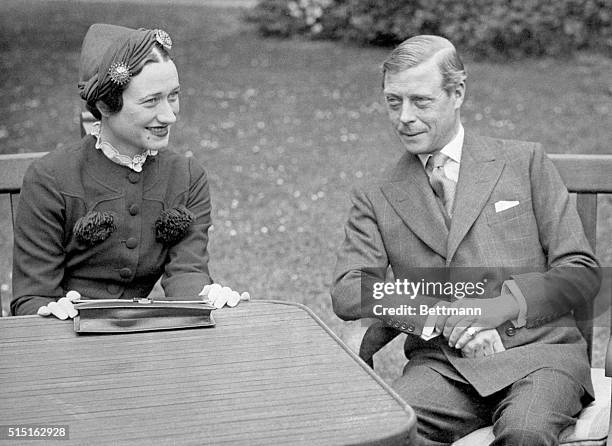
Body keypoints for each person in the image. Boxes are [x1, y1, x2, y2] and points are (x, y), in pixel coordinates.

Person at [331, 35, 601, 445]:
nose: (404, 116)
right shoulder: (378, 194)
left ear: (457, 93)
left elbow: (580, 272)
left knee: (525, 432)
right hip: (443, 368)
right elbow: (351, 289)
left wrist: (500, 306)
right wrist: (440, 315)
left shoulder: (522, 162)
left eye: (420, 101)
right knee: (381, 432)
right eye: (393, 101)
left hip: (540, 357)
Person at [11, 24, 246, 318]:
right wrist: (51, 312)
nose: (169, 115)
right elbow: (32, 298)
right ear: (105, 105)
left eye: (173, 95)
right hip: (63, 343)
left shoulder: (186, 177)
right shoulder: (50, 179)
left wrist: (206, 297)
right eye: (151, 101)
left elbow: (188, 272)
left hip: (141, 344)